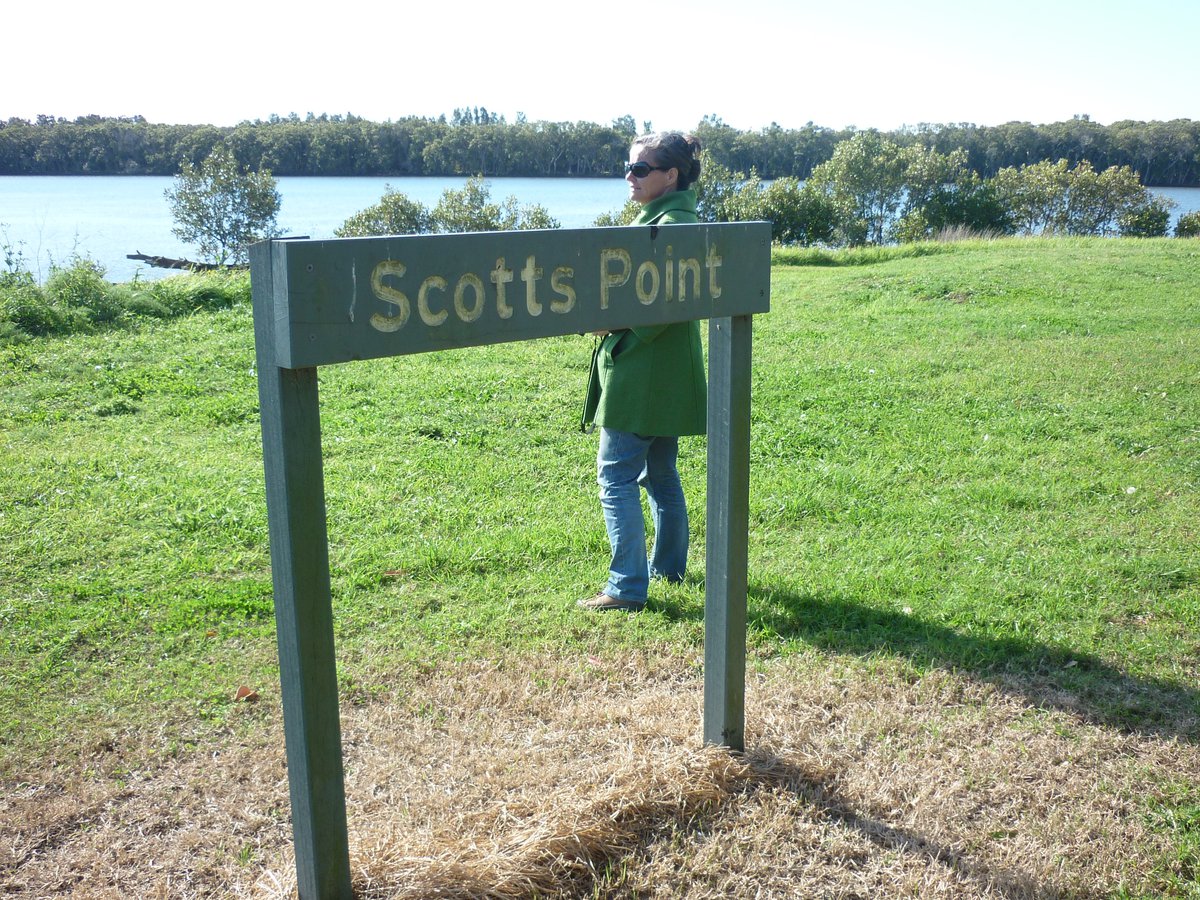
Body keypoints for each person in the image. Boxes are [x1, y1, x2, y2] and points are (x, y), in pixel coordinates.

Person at [578, 132, 707, 612]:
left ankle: (626, 587)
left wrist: (607, 322)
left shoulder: (670, 225)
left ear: (670, 176)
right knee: (661, 475)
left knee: (615, 477)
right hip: (667, 378)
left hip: (643, 377)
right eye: (628, 167)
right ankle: (668, 569)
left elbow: (658, 309)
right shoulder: (677, 219)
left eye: (640, 169)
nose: (629, 177)